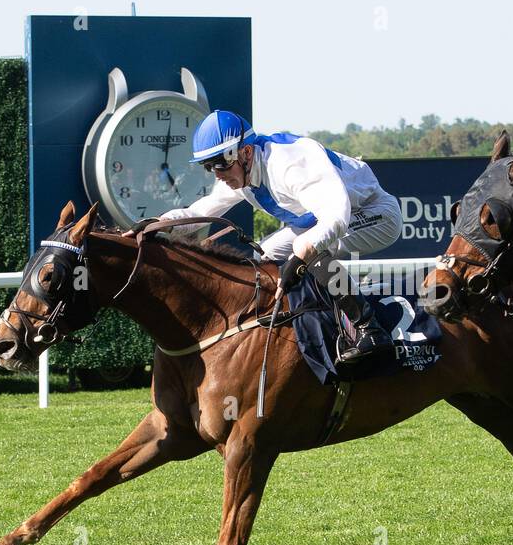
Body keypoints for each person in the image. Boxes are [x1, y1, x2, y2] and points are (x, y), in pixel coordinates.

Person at [160, 110, 402, 366]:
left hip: (376, 214)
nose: (217, 173)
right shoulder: (242, 172)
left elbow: (336, 217)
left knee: (306, 247)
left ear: (246, 152)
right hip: (325, 221)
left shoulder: (289, 164)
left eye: (220, 162)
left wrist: (300, 256)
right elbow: (199, 212)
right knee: (265, 254)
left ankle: (371, 331)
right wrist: (157, 224)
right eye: (209, 166)